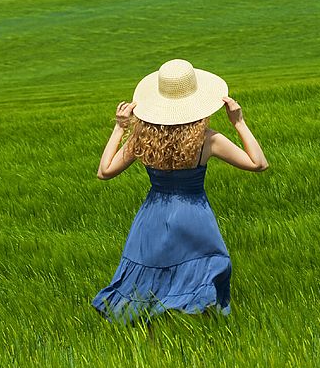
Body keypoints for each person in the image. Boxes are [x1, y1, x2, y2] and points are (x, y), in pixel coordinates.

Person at [92, 58, 268, 323]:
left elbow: (104, 171)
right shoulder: (207, 139)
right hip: (193, 215)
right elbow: (258, 163)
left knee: (150, 276)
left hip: (153, 216)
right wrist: (239, 122)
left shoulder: (142, 136)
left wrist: (120, 128)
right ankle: (199, 329)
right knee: (204, 272)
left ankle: (155, 334)